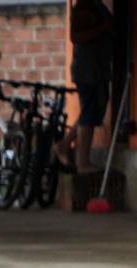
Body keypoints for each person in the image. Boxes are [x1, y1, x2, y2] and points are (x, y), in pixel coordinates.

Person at [57, 0, 114, 174]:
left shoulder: (97, 6)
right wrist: (103, 27)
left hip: (98, 69)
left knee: (91, 111)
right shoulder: (84, 7)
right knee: (89, 113)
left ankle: (64, 145)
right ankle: (83, 162)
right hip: (88, 70)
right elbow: (76, 37)